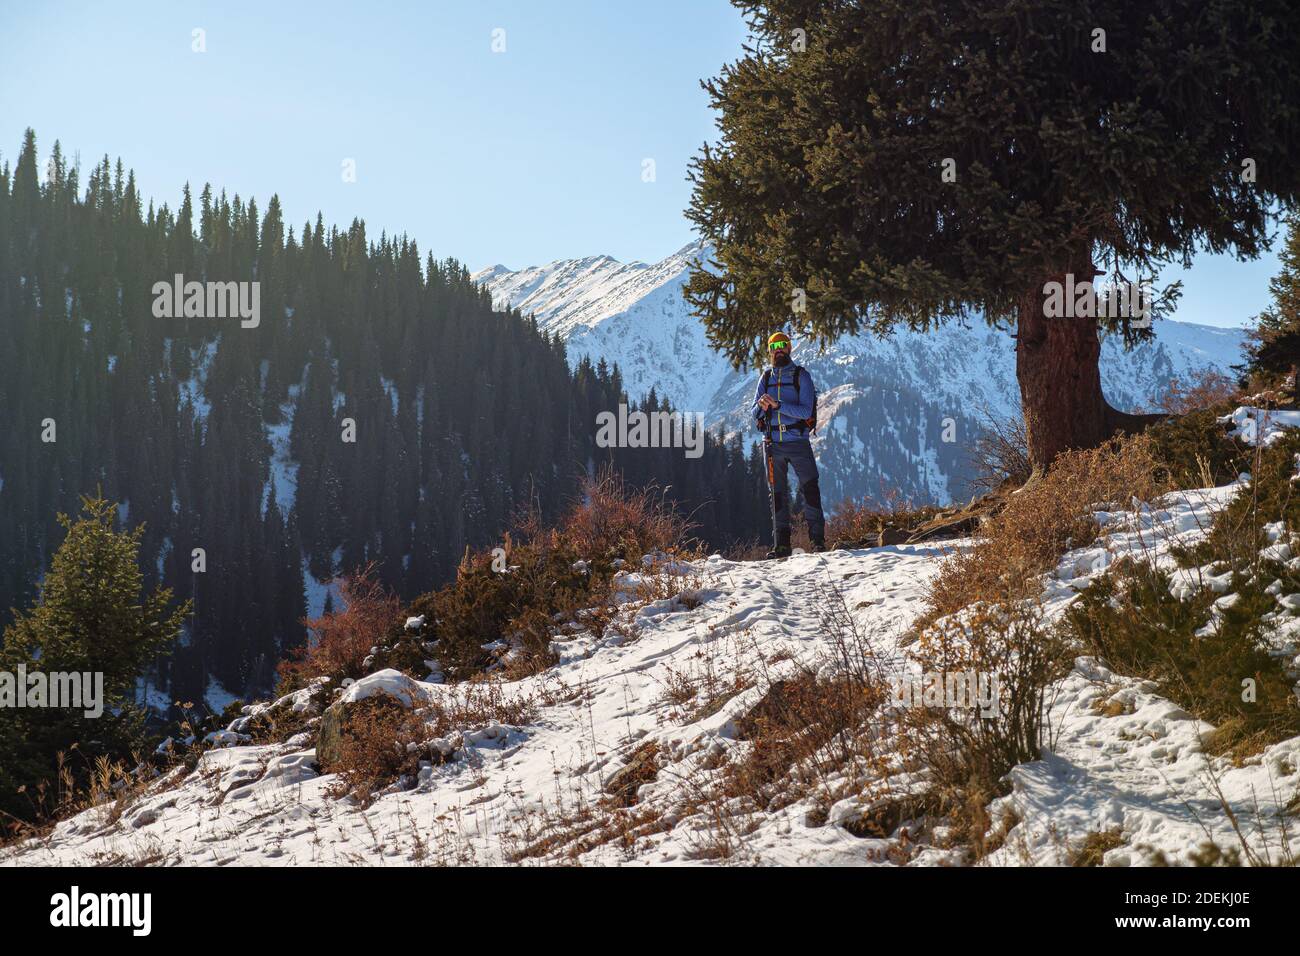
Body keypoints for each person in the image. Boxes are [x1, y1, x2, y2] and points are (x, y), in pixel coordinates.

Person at [752, 331, 825, 558]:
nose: (779, 349)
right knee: (778, 494)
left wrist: (777, 404)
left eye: (783, 345)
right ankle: (781, 546)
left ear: (790, 348)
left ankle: (818, 543)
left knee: (810, 489)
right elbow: (754, 413)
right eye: (775, 346)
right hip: (772, 446)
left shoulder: (801, 376)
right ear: (770, 350)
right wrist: (762, 407)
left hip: (798, 442)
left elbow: (805, 411)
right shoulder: (765, 378)